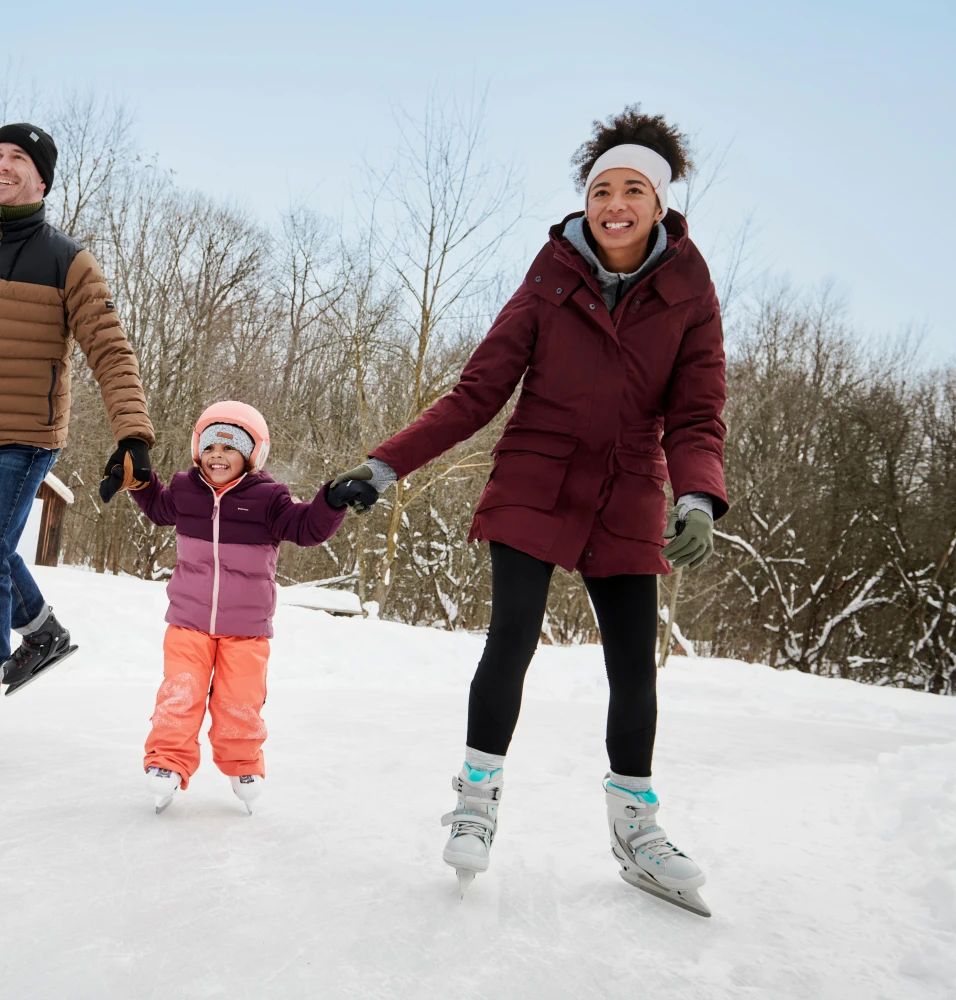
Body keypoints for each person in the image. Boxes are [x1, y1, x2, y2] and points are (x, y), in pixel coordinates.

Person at [332, 108, 726, 914]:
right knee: (511, 634)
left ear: (660, 202)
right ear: (587, 200)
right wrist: (384, 464)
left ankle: (636, 828)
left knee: (633, 665)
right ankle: (475, 804)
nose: (614, 203)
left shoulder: (690, 290)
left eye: (632, 189)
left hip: (627, 486)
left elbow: (696, 411)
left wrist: (696, 495)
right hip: (534, 477)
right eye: (601, 189)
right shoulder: (551, 274)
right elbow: (479, 392)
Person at [0, 122, 156, 760]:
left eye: (18, 158)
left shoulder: (67, 262)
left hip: (29, 440)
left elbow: (110, 350)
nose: (3, 165)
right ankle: (42, 633)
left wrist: (133, 434)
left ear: (42, 178)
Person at [120, 401, 360, 813]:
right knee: (181, 694)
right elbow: (160, 509)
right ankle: (167, 762)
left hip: (246, 628)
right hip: (188, 621)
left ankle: (243, 762)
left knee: (240, 701)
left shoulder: (269, 499)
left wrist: (331, 501)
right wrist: (138, 482)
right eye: (211, 447)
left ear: (251, 455)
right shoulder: (184, 490)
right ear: (199, 451)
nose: (218, 457)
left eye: (231, 449)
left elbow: (307, 529)